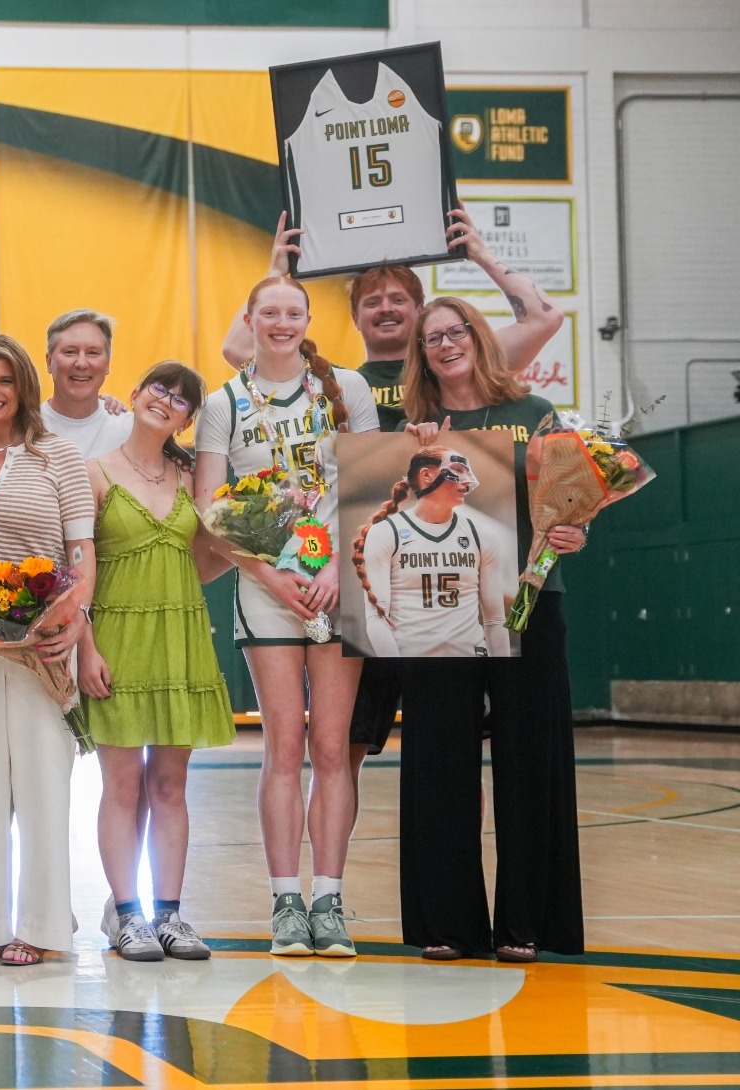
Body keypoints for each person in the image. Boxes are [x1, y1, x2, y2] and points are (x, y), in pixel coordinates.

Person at [227, 212, 563, 792]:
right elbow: (239, 349)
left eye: (399, 300)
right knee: (345, 747)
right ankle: (336, 876)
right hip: (368, 583)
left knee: (453, 742)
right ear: (353, 316)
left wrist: (479, 252)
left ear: (420, 308)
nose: (386, 308)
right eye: (372, 301)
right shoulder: (332, 382)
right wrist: (277, 270)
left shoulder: (455, 366)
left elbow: (544, 316)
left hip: (446, 584)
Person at [398, 299, 586, 962]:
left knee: (528, 760)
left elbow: (569, 505)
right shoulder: (408, 427)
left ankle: (525, 923)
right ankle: (449, 923)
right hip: (437, 610)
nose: (445, 345)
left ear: (479, 338)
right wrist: (409, 468)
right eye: (431, 339)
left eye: (455, 332)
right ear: (420, 354)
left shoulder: (534, 415)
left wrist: (574, 530)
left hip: (527, 602)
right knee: (440, 762)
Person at [199, 276, 378, 958]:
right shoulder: (224, 403)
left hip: (340, 582)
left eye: (291, 312)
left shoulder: (349, 390)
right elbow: (211, 505)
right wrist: (273, 574)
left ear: (307, 319)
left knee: (333, 750)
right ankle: (284, 902)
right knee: (283, 749)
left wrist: (336, 568)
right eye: (267, 312)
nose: (280, 322)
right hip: (266, 585)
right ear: (248, 319)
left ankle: (328, 900)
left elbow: (368, 486)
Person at [0, 335, 94, 966]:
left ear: (23, 386)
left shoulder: (58, 457)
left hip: (47, 641)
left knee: (42, 784)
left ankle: (45, 927)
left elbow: (82, 555)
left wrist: (73, 620)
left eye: (4, 380)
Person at [76, 362, 235, 963]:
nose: (166, 401)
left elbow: (211, 555)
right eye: (159, 389)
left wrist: (181, 591)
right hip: (116, 640)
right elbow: (78, 575)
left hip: (180, 638)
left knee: (170, 785)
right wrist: (86, 646)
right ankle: (127, 915)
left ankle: (169, 913)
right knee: (121, 785)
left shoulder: (192, 476)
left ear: (189, 418)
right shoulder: (94, 473)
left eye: (181, 399)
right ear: (137, 394)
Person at [351, 446, 510, 658]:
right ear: (426, 475)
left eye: (466, 472)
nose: (467, 480)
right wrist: (398, 669)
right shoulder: (385, 532)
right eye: (457, 470)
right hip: (413, 659)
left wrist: (501, 671)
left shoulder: (483, 535)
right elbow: (377, 618)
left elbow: (495, 621)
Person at [40, 309, 135, 458]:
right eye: (70, 352)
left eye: (93, 353)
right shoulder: (25, 428)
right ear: (49, 362)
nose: (82, 364)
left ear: (107, 364)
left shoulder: (130, 430)